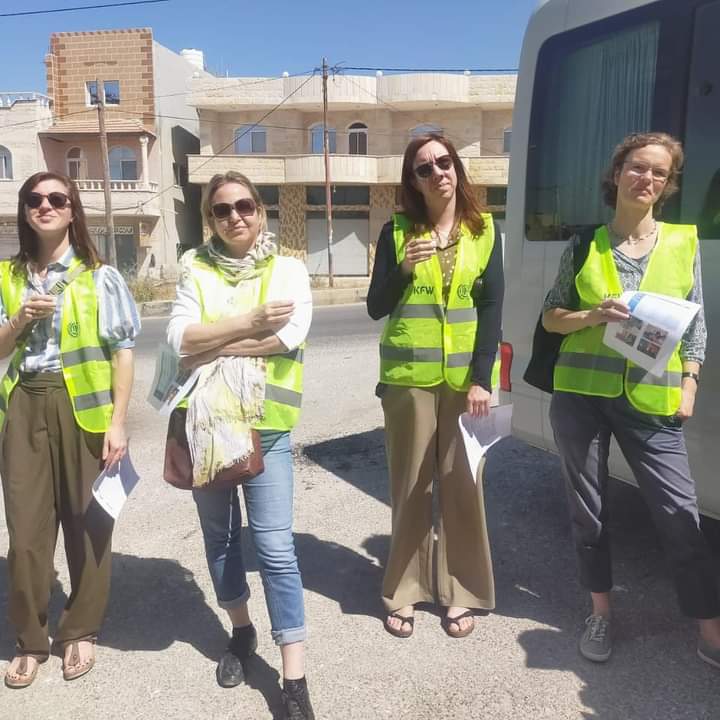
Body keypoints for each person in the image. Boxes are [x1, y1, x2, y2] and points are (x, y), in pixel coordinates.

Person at [542, 132, 720, 668]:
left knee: (679, 515)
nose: (648, 179)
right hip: (580, 395)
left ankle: (710, 629)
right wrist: (592, 315)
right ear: (617, 173)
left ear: (667, 185)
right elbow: (551, 317)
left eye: (660, 173)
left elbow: (696, 325)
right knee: (589, 513)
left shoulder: (683, 243)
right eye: (639, 167)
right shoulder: (585, 244)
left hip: (652, 400)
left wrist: (690, 382)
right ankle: (600, 612)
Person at [166, 171, 315, 718]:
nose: (235, 217)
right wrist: (249, 322)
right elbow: (180, 339)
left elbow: (289, 336)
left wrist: (216, 343)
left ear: (261, 210)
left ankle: (294, 678)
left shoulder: (288, 269)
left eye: (245, 206)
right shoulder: (194, 267)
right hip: (205, 428)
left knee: (275, 548)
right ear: (210, 217)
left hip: (267, 426)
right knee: (222, 540)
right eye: (222, 209)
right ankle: (242, 631)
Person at [0, 172, 140, 688]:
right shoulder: (7, 276)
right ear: (24, 210)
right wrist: (19, 320)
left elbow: (123, 352)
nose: (46, 205)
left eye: (57, 198)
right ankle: (30, 638)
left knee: (89, 523)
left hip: (85, 409)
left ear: (73, 209)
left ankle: (80, 628)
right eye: (35, 199)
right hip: (24, 404)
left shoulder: (100, 276)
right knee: (25, 532)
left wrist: (118, 423)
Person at [367, 134, 504, 639]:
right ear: (414, 181)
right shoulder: (396, 231)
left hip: (466, 384)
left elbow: (491, 308)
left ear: (456, 168)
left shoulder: (485, 229)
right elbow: (376, 306)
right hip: (409, 383)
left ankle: (462, 590)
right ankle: (404, 589)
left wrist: (482, 378)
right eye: (424, 168)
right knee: (410, 486)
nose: (437, 172)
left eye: (444, 162)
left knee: (463, 484)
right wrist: (403, 268)